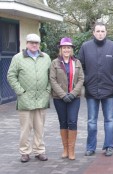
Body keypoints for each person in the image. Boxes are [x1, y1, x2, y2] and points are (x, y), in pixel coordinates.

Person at [78, 22, 113, 157]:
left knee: (109, 120)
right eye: (97, 31)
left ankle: (109, 146)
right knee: (91, 121)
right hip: (91, 91)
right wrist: (86, 81)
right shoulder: (85, 47)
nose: (100, 33)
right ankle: (90, 147)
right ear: (93, 32)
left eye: (102, 31)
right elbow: (80, 67)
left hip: (109, 91)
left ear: (106, 32)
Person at [7, 33, 51, 163]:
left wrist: (48, 90)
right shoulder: (18, 58)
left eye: (36, 43)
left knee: (40, 127)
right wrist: (20, 91)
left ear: (39, 44)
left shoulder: (46, 57)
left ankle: (39, 151)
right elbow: (11, 76)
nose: (34, 45)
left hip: (42, 98)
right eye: (31, 42)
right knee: (25, 128)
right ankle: (25, 152)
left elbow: (51, 76)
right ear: (26, 43)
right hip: (25, 99)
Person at [50, 37, 84, 160]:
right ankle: (65, 149)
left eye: (68, 47)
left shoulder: (77, 62)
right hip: (59, 98)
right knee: (63, 122)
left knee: (72, 121)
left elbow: (81, 79)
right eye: (64, 47)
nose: (66, 49)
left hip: (74, 98)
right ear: (61, 49)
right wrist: (63, 95)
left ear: (71, 49)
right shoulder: (55, 63)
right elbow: (52, 80)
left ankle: (71, 150)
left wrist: (73, 94)